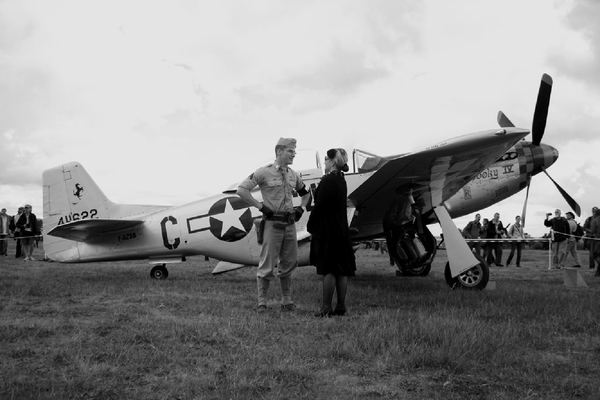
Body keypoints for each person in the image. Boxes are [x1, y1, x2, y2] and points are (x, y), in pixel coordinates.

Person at [237, 138, 310, 313]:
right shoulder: (264, 172)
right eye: (290, 151)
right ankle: (262, 302)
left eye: (294, 151)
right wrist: (261, 207)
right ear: (279, 151)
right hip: (272, 225)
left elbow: (306, 194)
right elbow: (242, 190)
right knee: (267, 263)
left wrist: (302, 208)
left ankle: (287, 300)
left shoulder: (294, 175)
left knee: (290, 261)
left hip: (290, 225)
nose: (294, 154)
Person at [307, 148, 356, 317]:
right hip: (341, 228)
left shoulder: (328, 181)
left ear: (333, 161)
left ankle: (326, 308)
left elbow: (320, 207)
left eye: (327, 159)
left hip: (328, 229)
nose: (325, 162)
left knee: (328, 268)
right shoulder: (341, 180)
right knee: (341, 269)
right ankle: (341, 306)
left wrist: (310, 224)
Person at [589, 209, 600, 277]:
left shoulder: (595, 220)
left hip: (597, 241)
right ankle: (598, 273)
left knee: (596, 255)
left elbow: (592, 231)